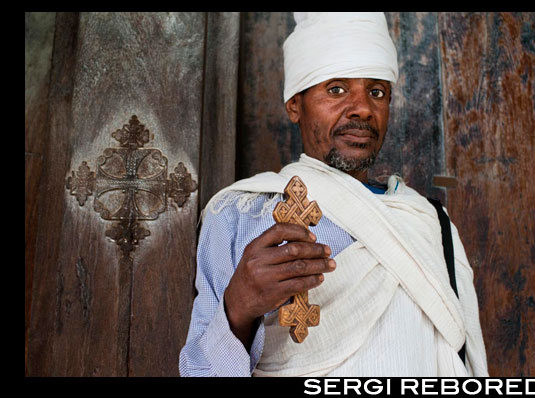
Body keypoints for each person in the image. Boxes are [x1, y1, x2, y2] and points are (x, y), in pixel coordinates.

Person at [179, 12, 488, 377]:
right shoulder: (240, 212)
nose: (362, 108)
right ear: (295, 104)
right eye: (337, 89)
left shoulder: (428, 222)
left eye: (377, 92)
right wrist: (238, 309)